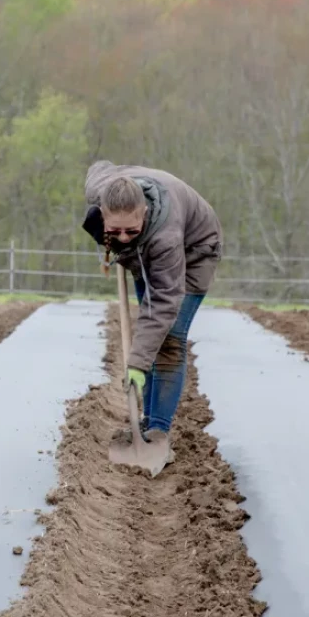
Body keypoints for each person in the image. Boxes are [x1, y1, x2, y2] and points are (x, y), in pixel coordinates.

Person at [82, 160, 222, 453]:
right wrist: (115, 242)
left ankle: (158, 429)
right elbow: (100, 166)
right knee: (148, 334)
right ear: (103, 211)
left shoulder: (165, 237)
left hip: (195, 251)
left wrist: (136, 364)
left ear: (143, 213)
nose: (122, 237)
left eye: (130, 230)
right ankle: (143, 423)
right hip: (143, 252)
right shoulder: (101, 191)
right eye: (115, 230)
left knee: (168, 338)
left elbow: (162, 303)